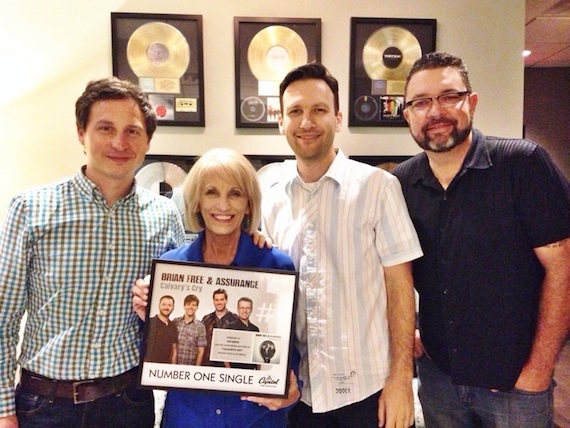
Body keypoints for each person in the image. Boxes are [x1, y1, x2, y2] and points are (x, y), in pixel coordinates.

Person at [392, 51, 570, 427]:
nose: (435, 111)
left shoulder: (523, 165)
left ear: (471, 102)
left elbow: (564, 268)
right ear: (407, 114)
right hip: (438, 379)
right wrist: (410, 331)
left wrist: (539, 368)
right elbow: (397, 271)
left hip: (514, 385)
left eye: (449, 96)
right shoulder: (402, 183)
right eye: (421, 102)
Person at [0, 77, 186, 427]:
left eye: (132, 131)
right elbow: (2, 320)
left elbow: (177, 314)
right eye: (105, 128)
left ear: (147, 140)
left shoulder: (164, 216)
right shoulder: (30, 209)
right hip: (44, 407)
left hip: (128, 404)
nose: (119, 142)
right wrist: (3, 411)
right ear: (81, 133)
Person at [262, 63, 423, 427]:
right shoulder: (271, 200)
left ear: (337, 118)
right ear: (281, 122)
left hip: (369, 393)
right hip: (300, 394)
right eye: (295, 112)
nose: (306, 122)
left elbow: (400, 288)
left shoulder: (379, 187)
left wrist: (401, 381)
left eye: (318, 110)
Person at [132, 148, 301, 427]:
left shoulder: (275, 266)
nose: (223, 205)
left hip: (254, 419)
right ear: (196, 201)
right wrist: (147, 317)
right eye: (211, 192)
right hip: (189, 419)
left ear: (248, 204)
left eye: (235, 193)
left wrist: (291, 388)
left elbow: (290, 351)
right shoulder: (171, 268)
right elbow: (156, 355)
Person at [201, 288, 238, 367]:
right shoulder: (206, 319)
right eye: (216, 300)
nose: (219, 302)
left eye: (221, 299)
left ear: (226, 301)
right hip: (207, 363)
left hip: (227, 364)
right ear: (213, 301)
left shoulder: (235, 319)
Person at [226, 297, 260, 370]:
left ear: (251, 309)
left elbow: (257, 354)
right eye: (242, 308)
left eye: (248, 308)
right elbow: (224, 353)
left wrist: (258, 372)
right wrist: (229, 370)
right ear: (238, 309)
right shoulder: (230, 327)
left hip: (250, 370)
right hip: (234, 370)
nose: (245, 310)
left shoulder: (255, 329)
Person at [173, 294, 207, 366]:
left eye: (194, 305)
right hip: (175, 365)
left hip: (190, 366)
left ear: (197, 307)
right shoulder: (175, 322)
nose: (191, 307)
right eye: (188, 304)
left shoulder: (200, 326)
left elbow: (201, 351)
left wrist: (195, 369)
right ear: (184, 306)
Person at [145, 295, 178, 364]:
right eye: (164, 304)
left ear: (173, 307)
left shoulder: (173, 326)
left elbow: (174, 350)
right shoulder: (150, 323)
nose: (166, 307)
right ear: (159, 305)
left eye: (169, 305)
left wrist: (173, 367)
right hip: (150, 366)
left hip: (165, 368)